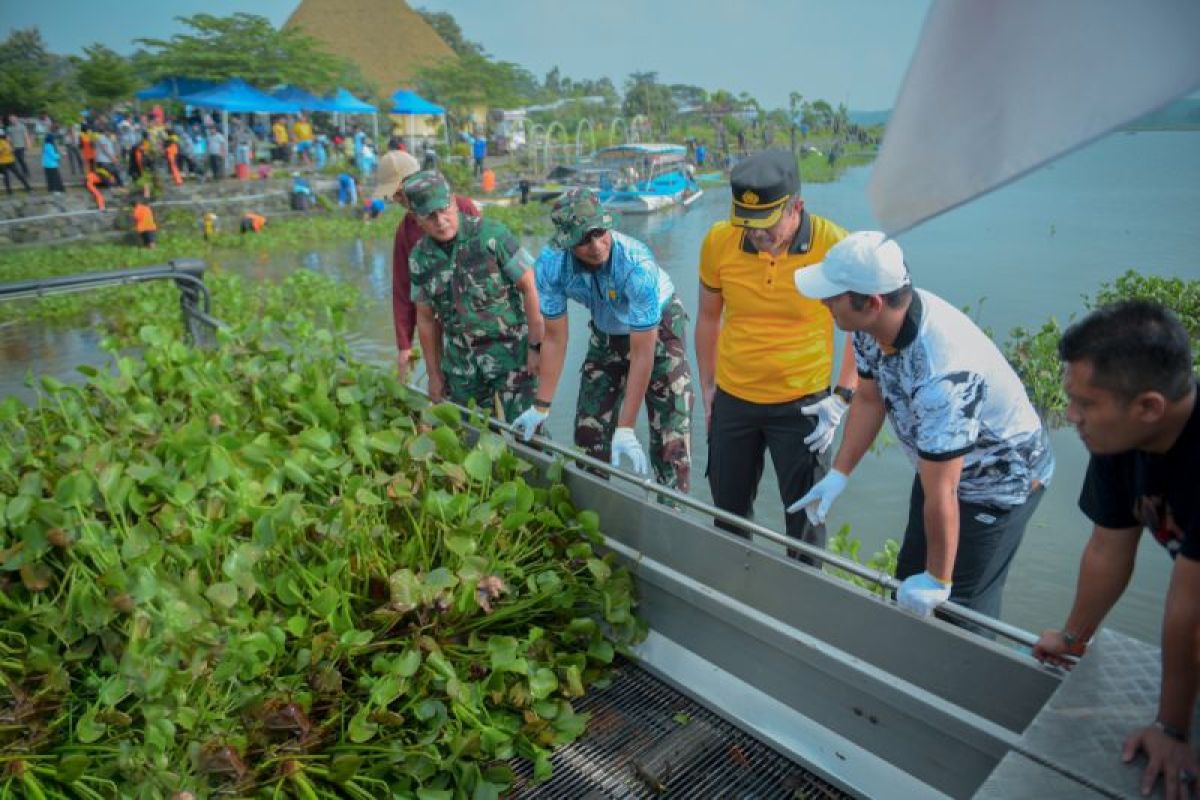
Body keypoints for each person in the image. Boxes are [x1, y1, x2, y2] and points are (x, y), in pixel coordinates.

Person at [792, 231, 1054, 622]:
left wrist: (938, 579)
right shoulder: (870, 329)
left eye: (834, 295)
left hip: (998, 483)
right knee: (908, 576)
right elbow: (869, 397)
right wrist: (839, 474)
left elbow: (945, 489)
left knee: (959, 608)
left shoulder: (944, 373)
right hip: (940, 471)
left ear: (873, 302)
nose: (825, 302)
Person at [1033, 300, 1198, 798]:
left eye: (1086, 404)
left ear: (1148, 406)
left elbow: (1191, 608)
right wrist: (1073, 636)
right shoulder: (1119, 439)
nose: (1071, 415)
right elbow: (1109, 548)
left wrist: (1170, 729)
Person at [695, 149, 856, 562]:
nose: (755, 235)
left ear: (796, 207)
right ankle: (734, 595)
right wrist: (709, 387)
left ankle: (801, 610)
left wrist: (842, 396)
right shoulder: (719, 240)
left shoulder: (834, 246)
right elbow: (709, 318)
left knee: (805, 523)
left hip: (804, 405)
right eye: (746, 225)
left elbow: (863, 331)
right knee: (729, 516)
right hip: (735, 398)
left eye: (766, 225)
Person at [513, 188, 694, 489]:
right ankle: (594, 510)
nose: (596, 246)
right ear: (567, 242)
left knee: (671, 440)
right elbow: (556, 340)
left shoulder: (637, 265)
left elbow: (642, 354)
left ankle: (671, 511)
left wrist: (626, 427)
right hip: (606, 331)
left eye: (599, 233)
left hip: (657, 330)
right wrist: (541, 406)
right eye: (583, 240)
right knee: (588, 433)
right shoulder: (551, 267)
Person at [405, 170, 543, 420]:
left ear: (454, 202)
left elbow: (531, 287)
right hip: (461, 366)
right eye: (430, 216)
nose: (441, 221)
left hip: (512, 358)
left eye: (444, 210)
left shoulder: (492, 236)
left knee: (529, 436)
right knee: (471, 440)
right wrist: (434, 374)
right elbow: (425, 319)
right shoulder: (419, 258)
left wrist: (536, 347)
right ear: (417, 219)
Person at [373, 150, 480, 381]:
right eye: (396, 198)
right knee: (452, 392)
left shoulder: (462, 208)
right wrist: (404, 344)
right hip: (443, 322)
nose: (401, 202)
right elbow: (403, 290)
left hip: (486, 319)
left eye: (401, 195)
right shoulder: (406, 231)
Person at [6, 115, 31, 179]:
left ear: (16, 119)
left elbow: (26, 136)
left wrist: (28, 144)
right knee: (14, 161)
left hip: (21, 146)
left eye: (13, 119)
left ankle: (26, 172)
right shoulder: (9, 128)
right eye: (11, 120)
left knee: (21, 160)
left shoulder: (22, 127)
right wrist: (8, 145)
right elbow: (8, 138)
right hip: (13, 147)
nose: (12, 120)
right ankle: (19, 174)